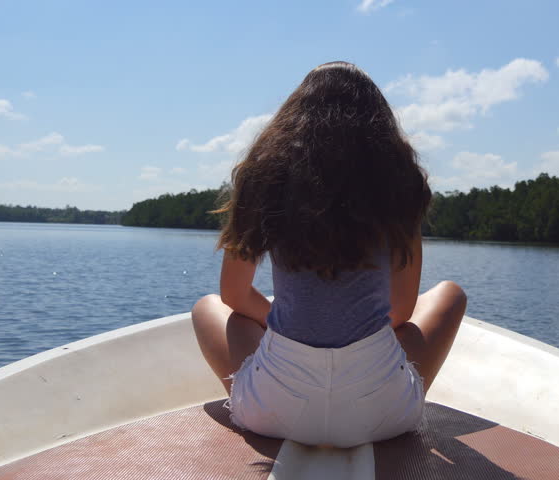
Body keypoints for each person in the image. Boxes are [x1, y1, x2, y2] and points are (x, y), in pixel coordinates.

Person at [191, 61, 467, 448]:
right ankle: (405, 390)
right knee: (450, 294)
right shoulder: (400, 189)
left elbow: (234, 296)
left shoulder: (265, 181)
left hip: (272, 412)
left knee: (215, 310)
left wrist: (288, 324)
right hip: (383, 416)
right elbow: (400, 313)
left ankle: (262, 385)